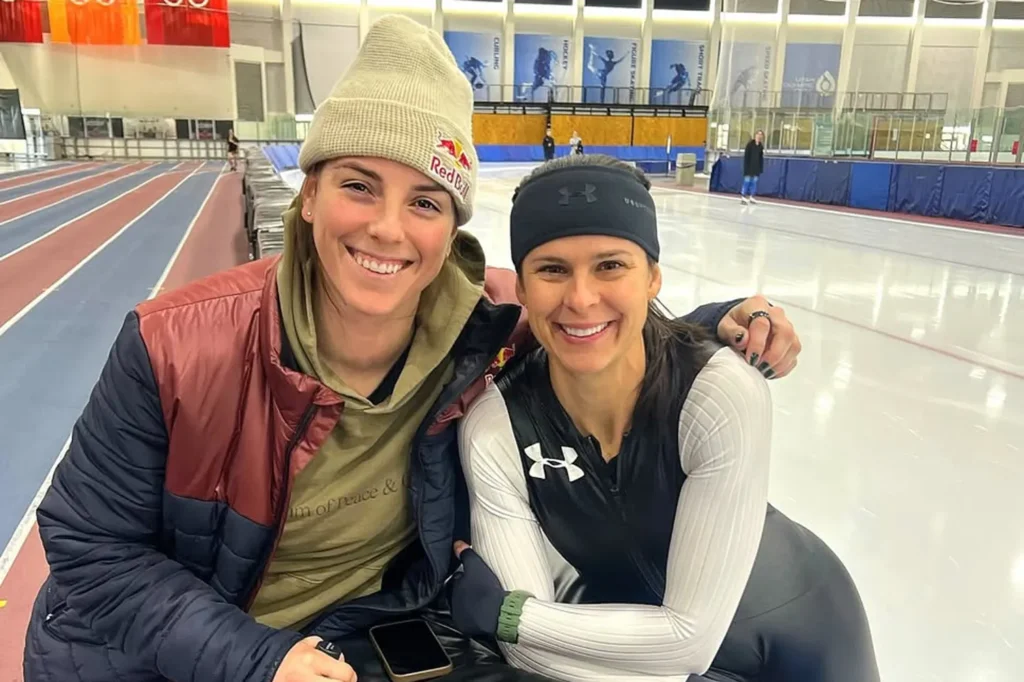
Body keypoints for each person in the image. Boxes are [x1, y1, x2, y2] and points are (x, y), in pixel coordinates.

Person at [23, 17, 801, 682]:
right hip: (158, 655)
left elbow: (589, 322)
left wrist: (721, 322)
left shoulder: (486, 324)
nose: (388, 229)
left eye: (424, 201)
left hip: (361, 635)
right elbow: (91, 549)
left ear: (451, 228)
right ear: (310, 194)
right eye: (359, 186)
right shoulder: (174, 347)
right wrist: (257, 660)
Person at [448, 154, 879, 682]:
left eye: (610, 265)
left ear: (652, 277)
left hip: (800, 644)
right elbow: (527, 655)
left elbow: (688, 640)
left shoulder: (717, 393)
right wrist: (525, 629)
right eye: (552, 269)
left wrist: (512, 616)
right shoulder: (496, 427)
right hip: (620, 651)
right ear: (521, 287)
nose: (581, 298)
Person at [741, 130, 764, 204]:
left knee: (754, 182)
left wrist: (760, 168)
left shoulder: (760, 146)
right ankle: (743, 196)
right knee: (747, 181)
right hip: (749, 167)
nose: (759, 136)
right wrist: (746, 168)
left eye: (761, 135)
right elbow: (746, 157)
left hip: (756, 168)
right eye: (758, 134)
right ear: (755, 135)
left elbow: (760, 158)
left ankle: (752, 196)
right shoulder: (750, 144)